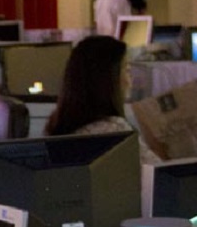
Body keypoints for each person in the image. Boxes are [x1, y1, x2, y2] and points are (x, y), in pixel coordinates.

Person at [45, 34, 159, 163]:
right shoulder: (115, 130)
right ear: (108, 80)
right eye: (127, 70)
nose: (130, 80)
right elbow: (158, 170)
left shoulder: (57, 126)